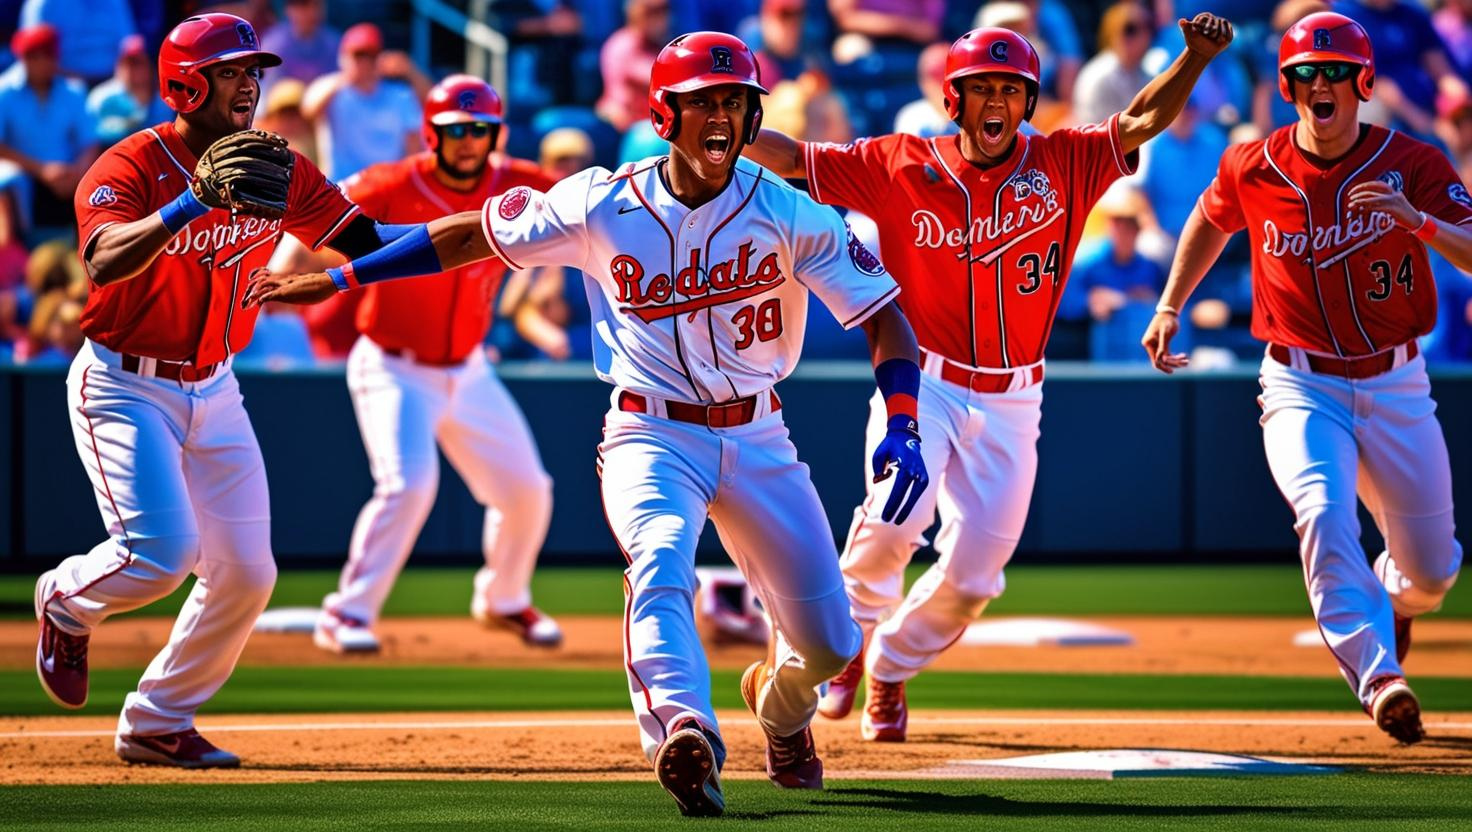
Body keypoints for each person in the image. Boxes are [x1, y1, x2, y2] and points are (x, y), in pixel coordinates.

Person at [244, 31, 928, 817]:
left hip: (758, 433)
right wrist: (342, 275)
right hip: (651, 429)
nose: (721, 116)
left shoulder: (787, 210)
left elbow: (885, 318)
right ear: (663, 115)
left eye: (734, 102)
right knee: (659, 555)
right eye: (702, 101)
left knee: (833, 646)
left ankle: (779, 710)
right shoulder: (602, 201)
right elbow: (469, 234)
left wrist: (903, 424)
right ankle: (684, 730)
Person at [742, 15, 1233, 742]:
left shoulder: (1065, 161)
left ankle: (893, 665)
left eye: (1012, 88)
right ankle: (843, 649)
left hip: (1015, 394)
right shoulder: (901, 161)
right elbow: (794, 158)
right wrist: (715, 121)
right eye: (982, 88)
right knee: (891, 519)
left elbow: (1138, 121)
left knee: (976, 576)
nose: (997, 101)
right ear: (955, 99)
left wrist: (1191, 60)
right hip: (926, 383)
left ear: (1029, 102)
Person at [32, 12, 439, 768]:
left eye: (255, 71)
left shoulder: (275, 168)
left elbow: (363, 239)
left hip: (217, 385)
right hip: (124, 383)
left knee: (250, 573)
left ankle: (157, 719)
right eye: (231, 72)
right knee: (159, 554)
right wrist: (188, 203)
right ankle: (64, 600)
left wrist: (472, 236)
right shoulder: (128, 165)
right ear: (185, 85)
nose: (250, 84)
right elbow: (105, 258)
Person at [1142, 11, 1467, 744]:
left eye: (1335, 73)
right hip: (1300, 382)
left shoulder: (1412, 162)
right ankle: (1380, 675)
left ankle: (1399, 599)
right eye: (1305, 74)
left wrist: (1417, 221)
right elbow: (1208, 217)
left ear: (1364, 82)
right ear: (1287, 86)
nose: (1321, 84)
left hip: (1396, 383)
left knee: (1435, 571)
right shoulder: (1254, 162)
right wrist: (1169, 305)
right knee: (1320, 511)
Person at [312, 75, 563, 654]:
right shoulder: (393, 182)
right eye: (458, 130)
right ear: (432, 134)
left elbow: (594, 202)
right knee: (409, 485)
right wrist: (288, 264)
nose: (471, 140)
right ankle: (345, 613)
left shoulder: (519, 184)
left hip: (468, 368)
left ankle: (504, 599)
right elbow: (319, 215)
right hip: (392, 365)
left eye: (481, 129)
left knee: (527, 489)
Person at [301, 22, 430, 180]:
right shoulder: (332, 93)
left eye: (370, 55)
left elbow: (415, 145)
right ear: (343, 57)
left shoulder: (400, 96)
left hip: (387, 188)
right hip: (340, 190)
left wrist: (409, 70)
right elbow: (308, 110)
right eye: (357, 55)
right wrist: (347, 76)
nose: (363, 62)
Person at [87, 35, 173, 148]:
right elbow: (89, 139)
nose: (130, 70)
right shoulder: (102, 97)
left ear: (149, 66)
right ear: (118, 65)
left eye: (137, 64)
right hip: (109, 158)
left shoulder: (163, 100)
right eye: (126, 64)